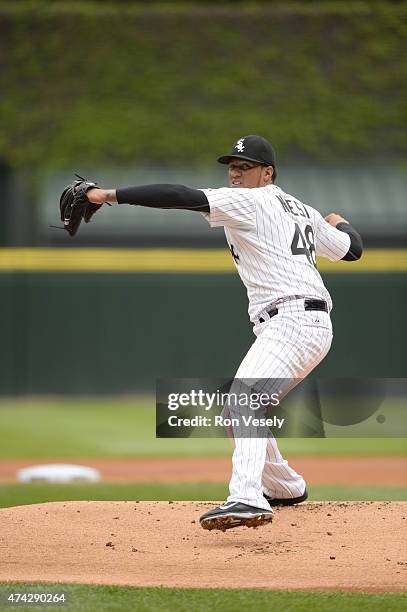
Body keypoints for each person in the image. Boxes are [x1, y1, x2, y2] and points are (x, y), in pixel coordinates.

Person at [85, 135, 363, 531]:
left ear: (267, 173)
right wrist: (338, 220)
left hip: (292, 320)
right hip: (309, 324)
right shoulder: (302, 209)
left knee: (244, 401)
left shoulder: (253, 200)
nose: (235, 170)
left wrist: (104, 195)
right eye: (232, 164)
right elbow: (351, 250)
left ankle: (248, 499)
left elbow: (179, 195)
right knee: (244, 409)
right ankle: (285, 487)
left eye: (245, 165)